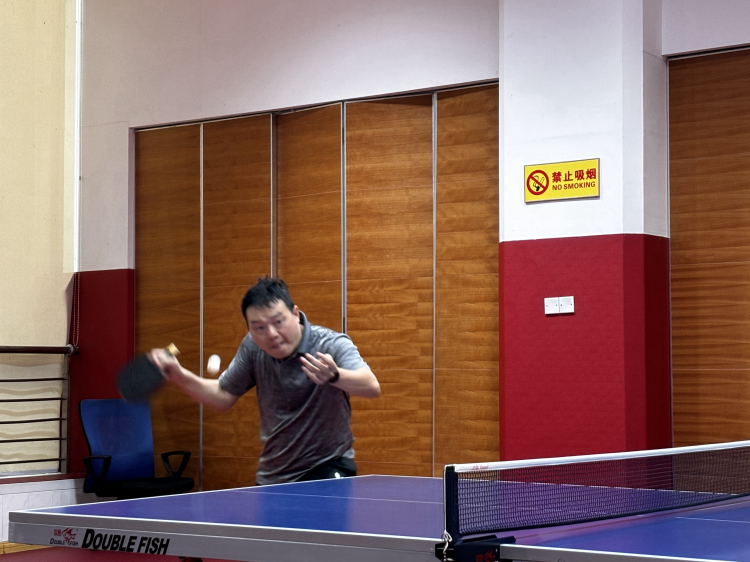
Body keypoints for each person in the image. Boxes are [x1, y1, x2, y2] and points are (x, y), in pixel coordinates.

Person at [151, 277, 380, 485]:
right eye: (259, 327)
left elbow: (371, 386)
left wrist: (336, 375)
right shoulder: (252, 347)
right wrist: (179, 375)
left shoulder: (329, 344)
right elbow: (222, 396)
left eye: (278, 322)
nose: (271, 334)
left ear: (295, 314)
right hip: (274, 475)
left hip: (327, 466)